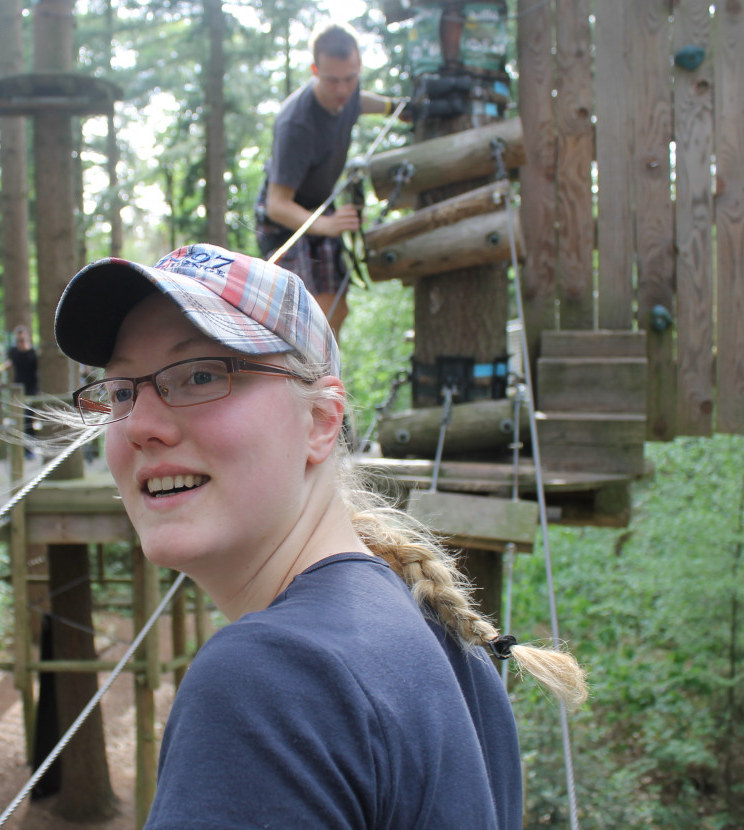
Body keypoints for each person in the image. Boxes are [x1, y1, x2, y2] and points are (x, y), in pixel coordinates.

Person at [53, 243, 587, 828]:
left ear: (320, 421)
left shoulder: (266, 684)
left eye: (201, 374)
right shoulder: (459, 661)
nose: (140, 427)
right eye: (123, 392)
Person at [255, 22, 408, 336]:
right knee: (302, 319)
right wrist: (328, 225)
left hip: (321, 215)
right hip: (286, 220)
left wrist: (395, 107)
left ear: (358, 68)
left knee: (336, 309)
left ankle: (329, 380)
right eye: (332, 80)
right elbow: (277, 204)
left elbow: (359, 101)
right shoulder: (296, 124)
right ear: (314, 70)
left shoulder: (348, 93)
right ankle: (300, 383)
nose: (342, 90)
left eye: (350, 78)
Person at [0, 325, 39, 457]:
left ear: (27, 338)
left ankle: (30, 449)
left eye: (22, 339)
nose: (20, 343)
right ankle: (23, 449)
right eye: (18, 340)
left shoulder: (33, 353)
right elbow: (9, 363)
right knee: (20, 419)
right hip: (18, 390)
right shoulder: (13, 352)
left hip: (32, 390)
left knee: (29, 419)